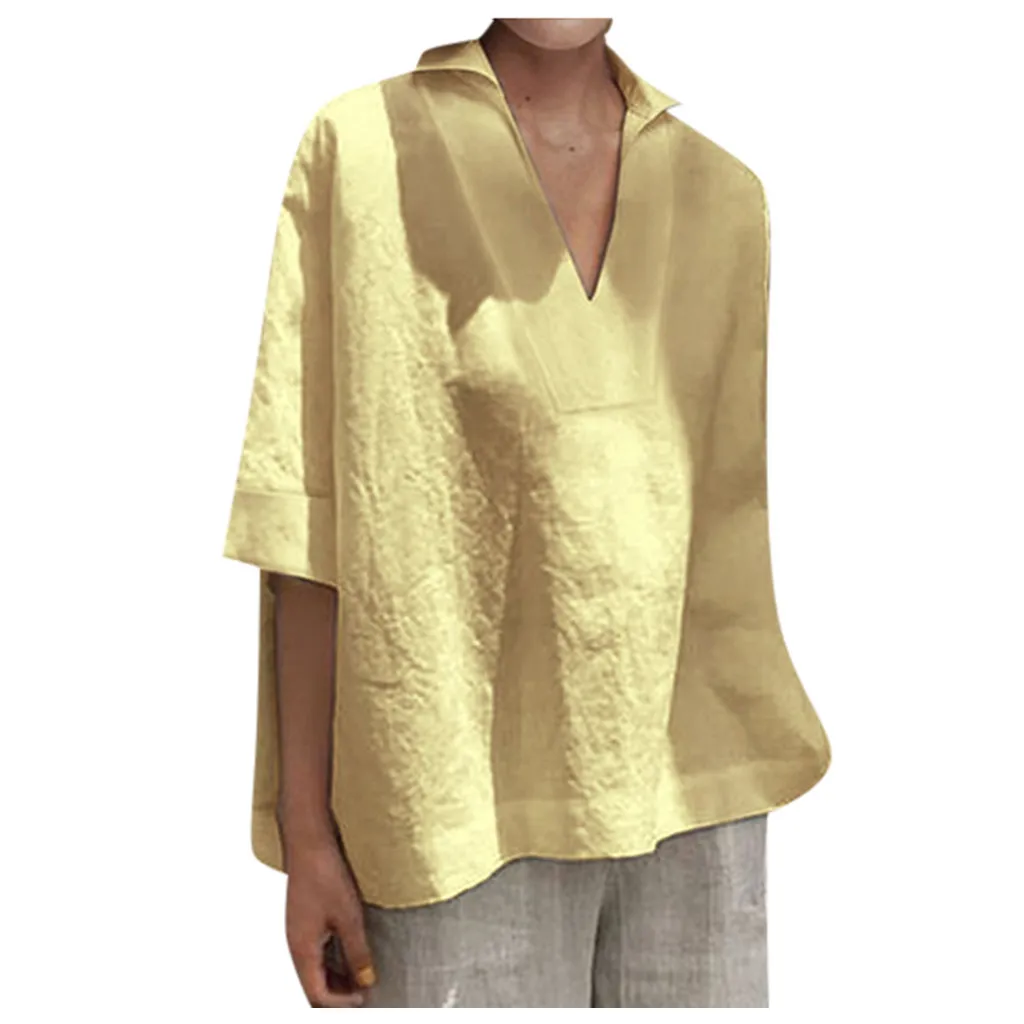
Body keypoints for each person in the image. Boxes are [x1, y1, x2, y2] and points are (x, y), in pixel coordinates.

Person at [222, 17, 831, 1008]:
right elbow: (306, 514)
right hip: (442, 800)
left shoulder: (723, 195)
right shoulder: (361, 152)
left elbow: (713, 529)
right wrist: (307, 831)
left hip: (697, 784)